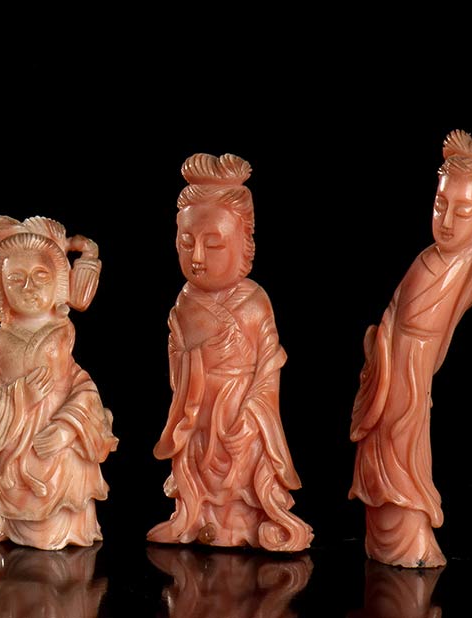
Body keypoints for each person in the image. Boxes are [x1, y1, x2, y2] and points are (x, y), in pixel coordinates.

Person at [350, 130, 472, 568]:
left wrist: (416, 355)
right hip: (391, 359)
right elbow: (394, 308)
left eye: (463, 211)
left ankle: (411, 540)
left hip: (413, 366)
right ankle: (383, 536)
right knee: (379, 442)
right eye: (441, 205)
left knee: (403, 445)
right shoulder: (424, 257)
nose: (448, 221)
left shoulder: (469, 262)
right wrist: (379, 344)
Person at [150, 153, 312, 552]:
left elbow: (269, 368)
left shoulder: (255, 302)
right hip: (197, 415)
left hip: (242, 416)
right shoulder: (184, 304)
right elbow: (176, 367)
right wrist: (195, 361)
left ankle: (248, 522)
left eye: (213, 244)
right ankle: (194, 516)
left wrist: (252, 414)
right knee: (196, 460)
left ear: (243, 246)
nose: (197, 257)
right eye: (186, 243)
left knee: (245, 463)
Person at [0, 215, 117, 550]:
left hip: (56, 439)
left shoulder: (62, 333)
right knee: (16, 476)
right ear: (1, 289)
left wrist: (68, 428)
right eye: (16, 279)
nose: (29, 288)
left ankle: (69, 527)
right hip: (17, 443)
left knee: (63, 462)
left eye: (41, 276)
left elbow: (80, 384)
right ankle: (13, 522)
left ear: (58, 283)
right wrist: (18, 396)